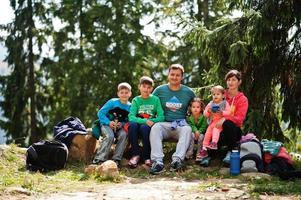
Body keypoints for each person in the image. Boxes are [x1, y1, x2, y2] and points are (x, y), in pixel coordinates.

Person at [149, 64, 195, 174]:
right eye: (172, 74)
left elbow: (196, 108)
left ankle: (177, 161)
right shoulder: (160, 90)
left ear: (182, 77)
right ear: (168, 75)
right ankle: (158, 162)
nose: (174, 77)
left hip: (180, 124)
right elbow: (151, 105)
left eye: (177, 75)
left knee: (187, 129)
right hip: (164, 123)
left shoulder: (188, 92)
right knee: (155, 127)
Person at [127, 76, 165, 168]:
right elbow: (131, 117)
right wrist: (145, 120)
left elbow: (161, 117)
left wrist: (151, 121)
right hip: (137, 123)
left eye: (148, 87)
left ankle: (146, 157)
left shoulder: (155, 99)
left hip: (147, 126)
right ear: (139, 87)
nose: (146, 89)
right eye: (144, 86)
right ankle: (135, 155)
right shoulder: (136, 100)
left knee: (145, 128)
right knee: (132, 125)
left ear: (151, 89)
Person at [92, 82, 132, 168]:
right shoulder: (112, 102)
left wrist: (122, 124)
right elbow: (100, 113)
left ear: (130, 94)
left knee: (124, 134)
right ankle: (99, 159)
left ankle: (116, 159)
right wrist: (109, 122)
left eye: (126, 92)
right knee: (109, 136)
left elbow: (129, 120)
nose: (124, 94)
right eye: (122, 92)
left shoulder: (131, 106)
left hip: (119, 127)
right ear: (118, 93)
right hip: (106, 124)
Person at [216, 70, 249, 163]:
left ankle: (231, 152)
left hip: (234, 131)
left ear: (239, 82)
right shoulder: (220, 95)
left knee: (227, 123)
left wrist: (225, 118)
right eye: (228, 80)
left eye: (233, 80)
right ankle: (210, 153)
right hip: (218, 129)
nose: (230, 82)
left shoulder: (242, 99)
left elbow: (239, 119)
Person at [197, 85, 231, 160]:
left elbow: (229, 112)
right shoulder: (210, 104)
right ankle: (204, 148)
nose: (215, 96)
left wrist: (222, 112)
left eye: (218, 94)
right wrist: (208, 111)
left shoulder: (225, 103)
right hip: (212, 122)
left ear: (223, 95)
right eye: (214, 94)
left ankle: (214, 143)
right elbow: (205, 113)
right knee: (207, 133)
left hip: (220, 123)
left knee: (216, 130)